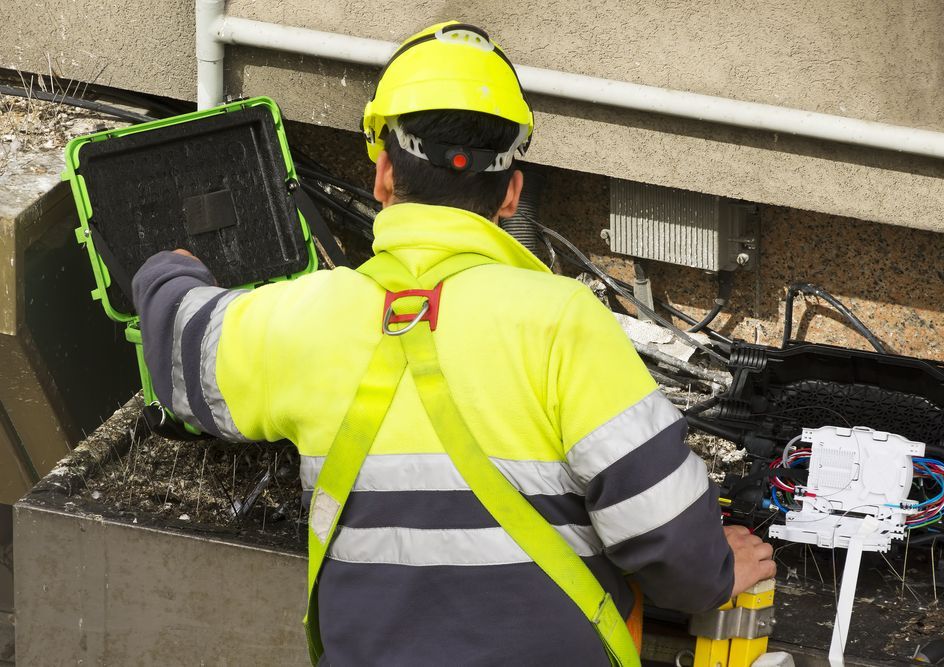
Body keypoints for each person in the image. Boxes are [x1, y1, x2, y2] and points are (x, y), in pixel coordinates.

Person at [133, 21, 775, 666]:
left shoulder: (308, 314)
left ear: (384, 176)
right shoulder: (563, 322)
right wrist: (715, 569)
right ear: (511, 195)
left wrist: (172, 274)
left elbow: (185, 360)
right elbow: (664, 540)